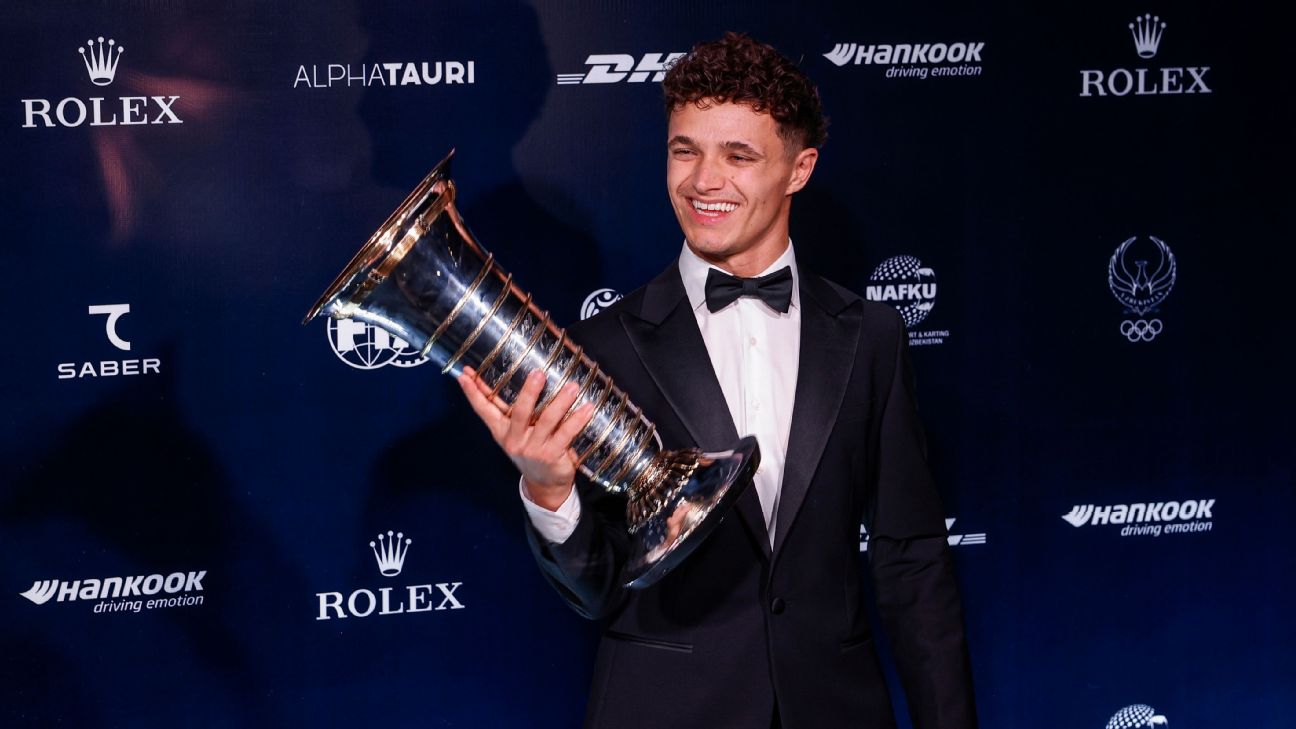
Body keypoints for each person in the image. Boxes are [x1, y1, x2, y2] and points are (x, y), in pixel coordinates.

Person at [457, 32, 976, 729]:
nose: (704, 181)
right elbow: (595, 590)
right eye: (685, 150)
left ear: (798, 169)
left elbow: (911, 561)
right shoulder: (602, 346)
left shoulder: (870, 337)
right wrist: (549, 491)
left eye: (739, 155)